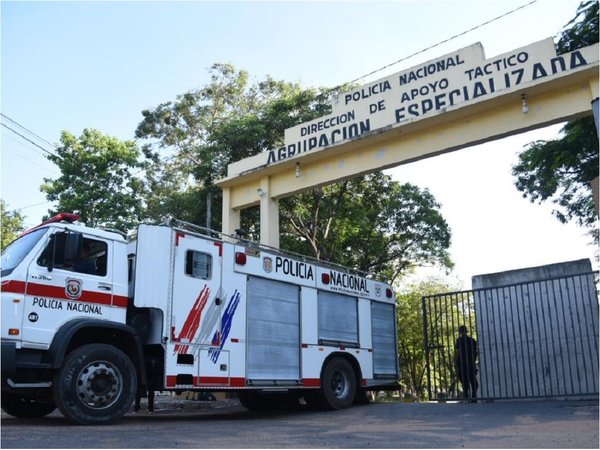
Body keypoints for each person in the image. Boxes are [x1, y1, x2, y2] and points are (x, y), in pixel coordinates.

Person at [454, 325, 478, 402]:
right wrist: (473, 360)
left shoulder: (459, 340)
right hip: (471, 363)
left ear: (460, 332)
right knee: (473, 380)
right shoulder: (472, 340)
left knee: (464, 380)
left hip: (462, 363)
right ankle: (474, 396)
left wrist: (455, 362)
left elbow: (458, 352)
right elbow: (476, 352)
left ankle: (466, 396)